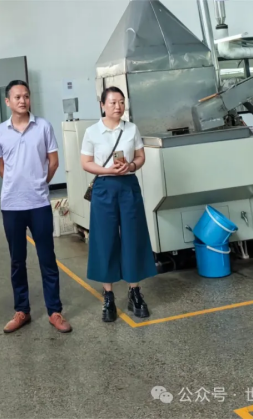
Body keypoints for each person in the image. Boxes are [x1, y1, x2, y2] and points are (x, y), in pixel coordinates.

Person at [0, 80, 72, 334]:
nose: (22, 100)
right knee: (17, 261)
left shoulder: (43, 127)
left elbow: (53, 162)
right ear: (8, 101)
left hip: (39, 204)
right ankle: (22, 311)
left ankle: (55, 311)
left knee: (47, 258)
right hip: (11, 205)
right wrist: (16, 185)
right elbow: (1, 166)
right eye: (17, 97)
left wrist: (39, 184)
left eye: (26, 96)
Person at [80, 86, 157, 323]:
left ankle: (134, 291)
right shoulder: (92, 132)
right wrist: (108, 171)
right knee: (105, 239)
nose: (118, 106)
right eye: (113, 102)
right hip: (104, 187)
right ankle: (108, 295)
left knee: (133, 237)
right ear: (102, 105)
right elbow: (85, 162)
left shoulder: (131, 128)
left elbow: (141, 157)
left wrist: (131, 166)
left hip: (128, 186)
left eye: (121, 102)